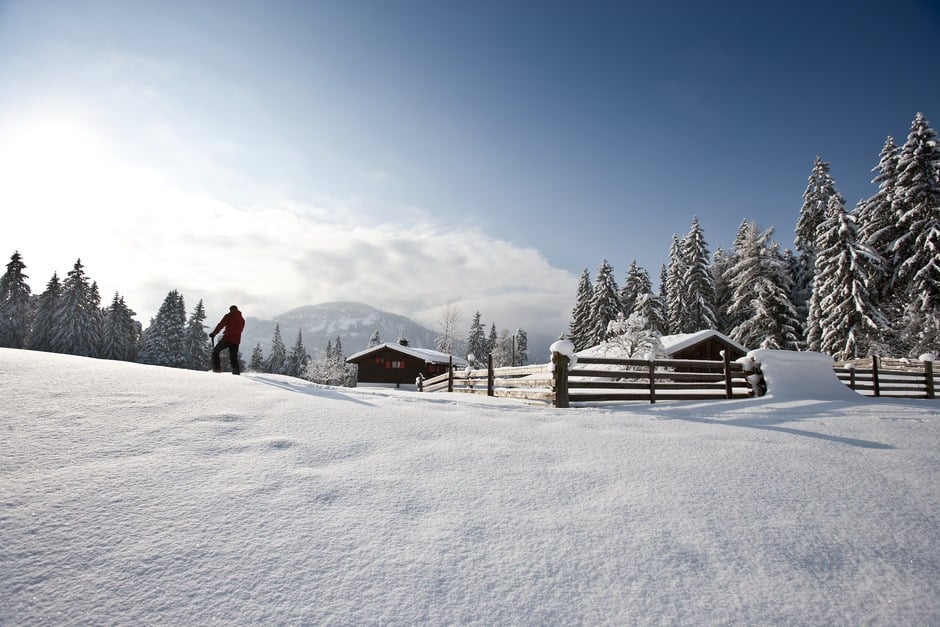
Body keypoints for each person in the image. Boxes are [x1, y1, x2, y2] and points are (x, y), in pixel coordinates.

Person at [210, 305, 245, 375]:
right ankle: (236, 372)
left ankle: (217, 369)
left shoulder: (228, 316)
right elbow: (239, 330)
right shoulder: (242, 319)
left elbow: (221, 325)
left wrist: (214, 333)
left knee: (215, 351)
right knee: (233, 357)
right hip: (236, 341)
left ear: (231, 310)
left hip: (228, 339)